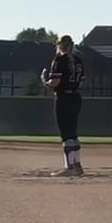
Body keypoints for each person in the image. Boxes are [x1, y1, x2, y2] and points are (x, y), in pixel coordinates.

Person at [43, 35, 86, 177]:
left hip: (63, 98)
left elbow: (55, 82)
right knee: (73, 132)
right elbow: (81, 82)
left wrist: (46, 82)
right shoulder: (78, 60)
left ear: (60, 45)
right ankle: (77, 165)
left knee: (65, 133)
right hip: (76, 97)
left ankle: (70, 167)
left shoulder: (59, 60)